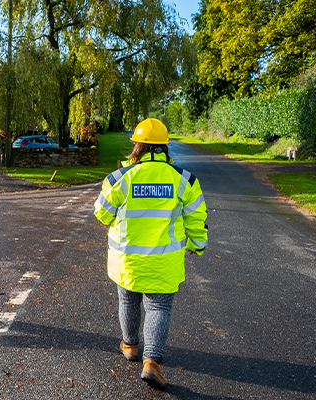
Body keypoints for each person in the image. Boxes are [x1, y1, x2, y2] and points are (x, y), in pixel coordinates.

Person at [93, 118, 208, 391]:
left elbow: (101, 213)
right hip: (163, 262)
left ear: (137, 146)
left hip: (127, 260)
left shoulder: (121, 178)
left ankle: (130, 345)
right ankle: (151, 363)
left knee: (128, 300)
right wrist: (198, 244)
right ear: (164, 148)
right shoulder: (184, 180)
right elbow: (197, 218)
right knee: (158, 307)